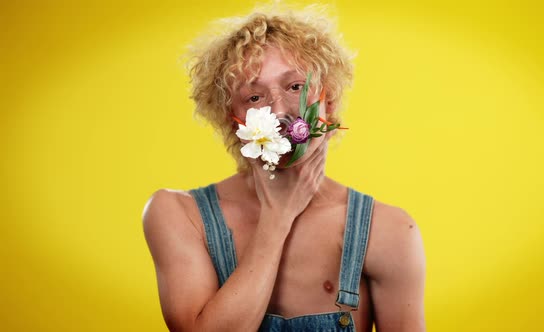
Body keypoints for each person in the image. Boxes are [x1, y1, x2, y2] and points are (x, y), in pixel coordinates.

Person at [142, 5, 426, 332]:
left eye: (295, 87)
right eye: (254, 97)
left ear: (328, 103)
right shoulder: (178, 214)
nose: (279, 110)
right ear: (231, 122)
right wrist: (278, 215)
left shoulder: (388, 230)